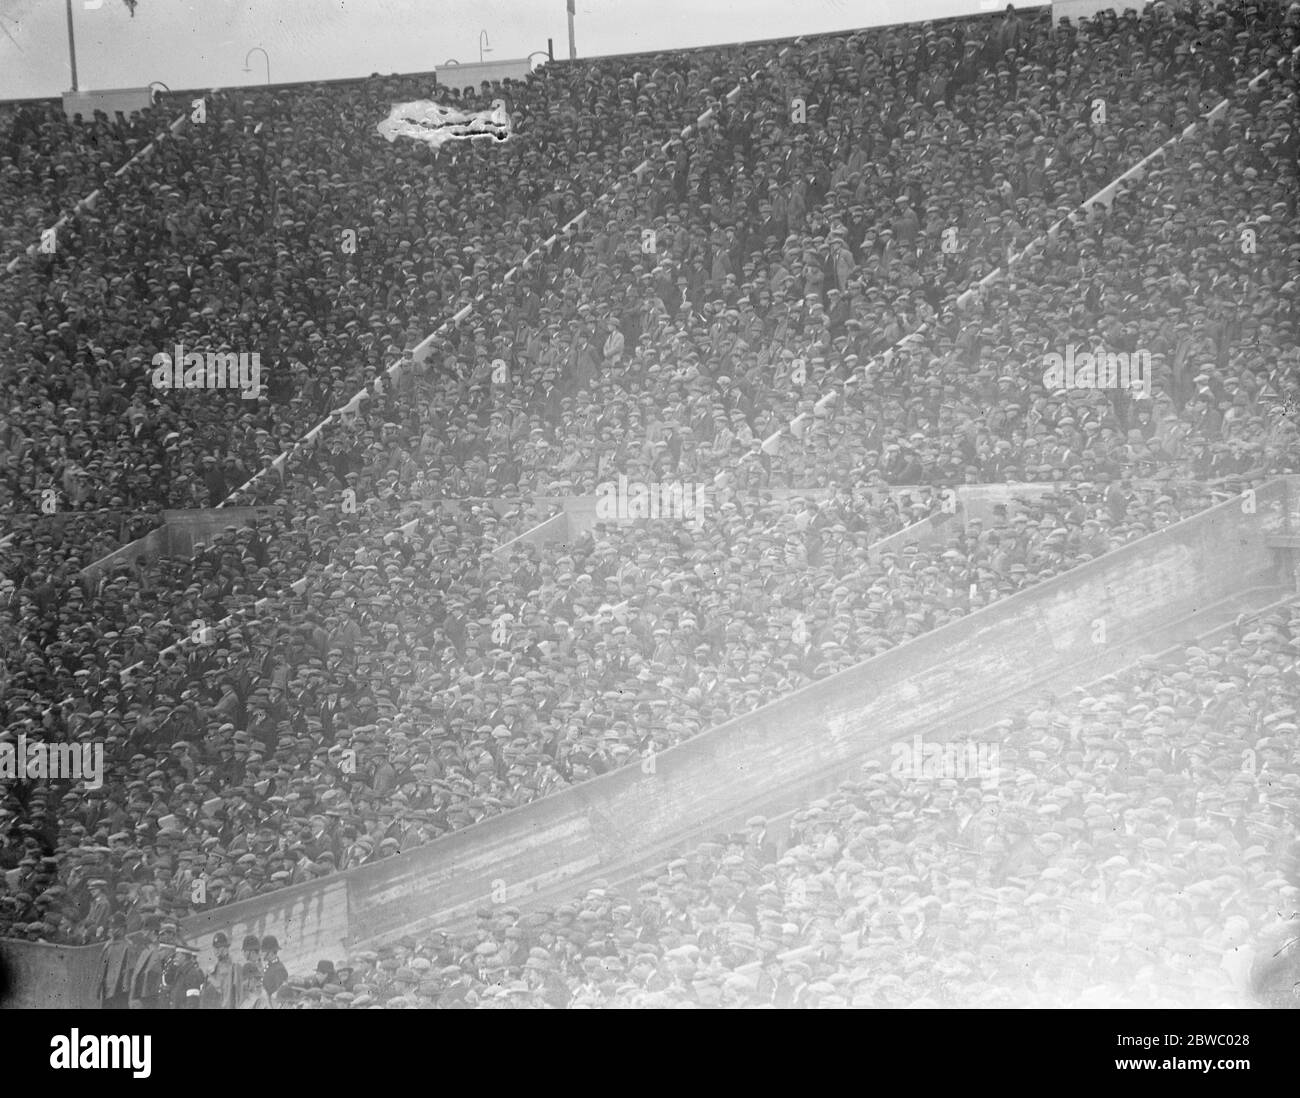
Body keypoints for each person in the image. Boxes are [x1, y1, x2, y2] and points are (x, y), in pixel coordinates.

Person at [97, 914, 134, 1009]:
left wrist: (126, 987)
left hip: (120, 988)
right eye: (111, 927)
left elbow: (129, 969)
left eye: (115, 927)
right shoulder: (108, 944)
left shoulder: (128, 946)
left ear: (122, 929)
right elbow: (102, 968)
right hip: (107, 986)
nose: (111, 930)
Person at [202, 931, 238, 1009]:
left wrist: (211, 980)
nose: (217, 951)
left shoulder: (231, 968)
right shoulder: (214, 968)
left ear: (226, 949)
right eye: (216, 948)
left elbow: (227, 995)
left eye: (220, 948)